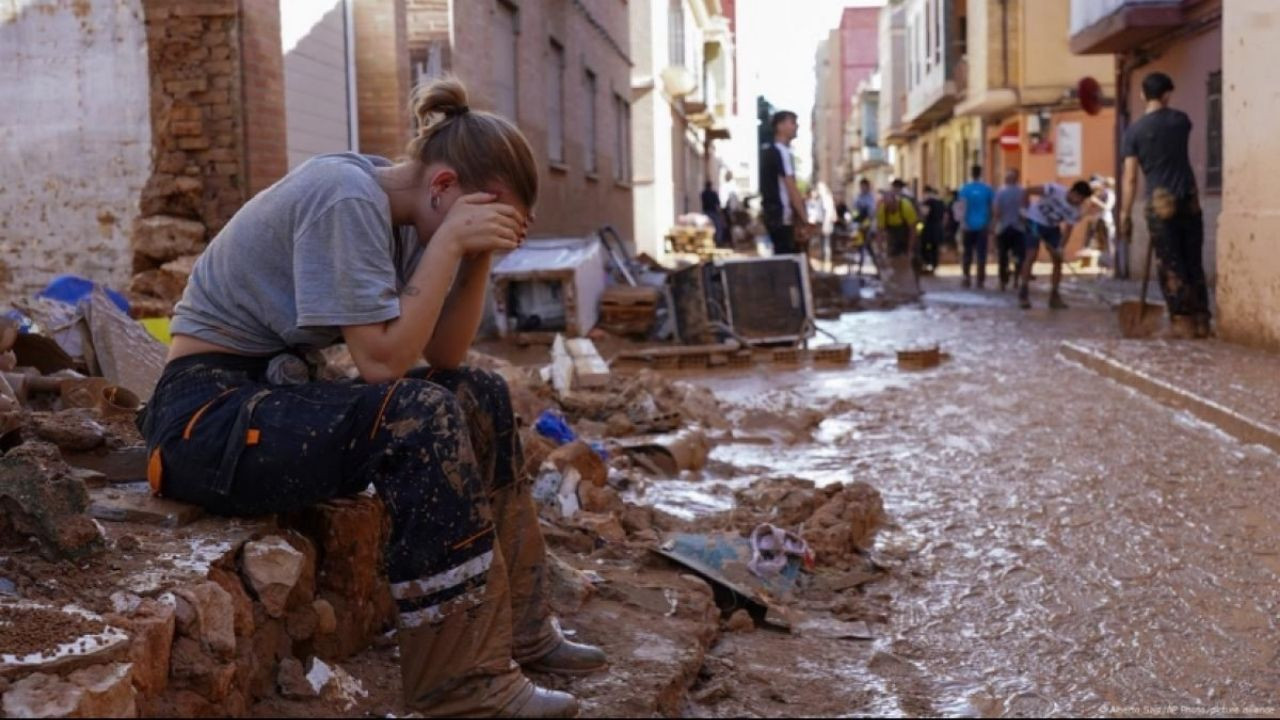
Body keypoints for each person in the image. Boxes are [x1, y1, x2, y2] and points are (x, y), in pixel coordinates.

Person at [140, 77, 604, 718]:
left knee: (478, 392)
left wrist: (475, 258)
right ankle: (462, 687)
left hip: (273, 395)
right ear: (443, 186)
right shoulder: (345, 197)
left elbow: (442, 356)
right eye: (483, 212)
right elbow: (383, 363)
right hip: (204, 419)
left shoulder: (414, 216)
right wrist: (449, 241)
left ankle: (523, 630)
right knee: (419, 415)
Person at [1120, 71, 1210, 338]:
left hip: (1159, 202)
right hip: (1189, 199)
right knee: (1193, 260)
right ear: (1167, 94)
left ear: (1142, 95)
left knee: (1170, 264)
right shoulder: (1182, 121)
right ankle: (1202, 320)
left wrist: (1125, 214)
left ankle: (1182, 323)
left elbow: (1130, 178)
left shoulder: (1134, 131)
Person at [1019, 180, 1094, 310]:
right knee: (1031, 255)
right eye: (1080, 198)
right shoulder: (1054, 190)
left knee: (1058, 260)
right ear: (1073, 192)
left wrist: (1061, 247)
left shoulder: (1075, 211)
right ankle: (1023, 292)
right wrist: (1024, 210)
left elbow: (1068, 229)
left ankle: (1054, 295)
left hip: (1052, 228)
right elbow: (1027, 191)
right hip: (1034, 222)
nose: (1080, 202)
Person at [759, 110, 810, 255]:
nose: (796, 126)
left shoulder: (770, 152)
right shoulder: (781, 152)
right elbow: (791, 187)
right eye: (792, 123)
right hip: (781, 216)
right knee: (787, 260)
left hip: (773, 215)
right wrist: (804, 218)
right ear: (780, 126)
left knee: (782, 258)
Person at [876, 179, 921, 301]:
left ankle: (915, 288)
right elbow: (880, 232)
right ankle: (896, 289)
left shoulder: (906, 206)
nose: (890, 209)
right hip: (894, 237)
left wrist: (909, 250)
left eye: (892, 207)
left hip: (908, 233)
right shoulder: (882, 210)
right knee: (893, 260)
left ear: (895, 202)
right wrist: (880, 251)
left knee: (913, 261)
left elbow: (913, 229)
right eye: (888, 207)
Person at [957, 165, 995, 289]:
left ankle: (966, 277)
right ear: (981, 173)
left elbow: (961, 208)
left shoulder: (964, 189)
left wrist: (962, 223)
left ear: (971, 173)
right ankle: (980, 279)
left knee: (967, 252)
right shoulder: (987, 189)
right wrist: (990, 223)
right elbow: (992, 207)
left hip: (968, 226)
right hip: (982, 225)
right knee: (981, 253)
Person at [993, 168, 1027, 292]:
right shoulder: (1022, 191)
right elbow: (1026, 208)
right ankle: (1017, 280)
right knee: (1019, 255)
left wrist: (994, 225)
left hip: (1004, 228)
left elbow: (996, 211)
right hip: (1019, 229)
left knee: (1002, 255)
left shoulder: (1000, 192)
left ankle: (1003, 281)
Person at [919, 186, 947, 274]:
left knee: (925, 246)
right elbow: (945, 216)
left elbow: (924, 214)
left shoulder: (927, 202)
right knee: (935, 247)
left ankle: (927, 263)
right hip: (938, 227)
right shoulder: (941, 202)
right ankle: (934, 265)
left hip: (928, 227)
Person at [702, 180, 728, 248]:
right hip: (712, 212)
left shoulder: (703, 194)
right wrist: (721, 214)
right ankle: (718, 241)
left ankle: (710, 242)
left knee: (708, 227)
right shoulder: (713, 194)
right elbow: (718, 205)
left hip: (706, 212)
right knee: (718, 227)